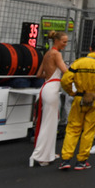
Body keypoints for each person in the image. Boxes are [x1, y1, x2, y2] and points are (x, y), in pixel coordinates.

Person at [59, 40, 95, 170]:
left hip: (79, 98)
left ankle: (66, 159)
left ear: (90, 48)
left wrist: (71, 92)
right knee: (89, 131)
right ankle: (81, 161)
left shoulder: (79, 62)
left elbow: (65, 80)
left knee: (73, 128)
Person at [28, 31, 70, 167]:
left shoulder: (47, 54)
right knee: (49, 123)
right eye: (64, 41)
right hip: (52, 89)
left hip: (46, 86)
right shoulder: (56, 54)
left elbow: (39, 74)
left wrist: (51, 77)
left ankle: (47, 153)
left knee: (50, 122)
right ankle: (40, 155)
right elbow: (66, 72)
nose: (65, 44)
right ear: (56, 41)